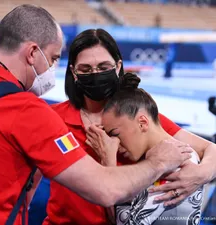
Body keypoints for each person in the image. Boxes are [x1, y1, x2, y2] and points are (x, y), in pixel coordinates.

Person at [0, 5, 191, 225]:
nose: (53, 68)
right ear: (33, 53)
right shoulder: (26, 110)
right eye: (55, 58)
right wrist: (158, 163)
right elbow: (104, 189)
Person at [42, 29, 216, 225]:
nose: (95, 74)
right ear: (73, 72)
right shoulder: (51, 117)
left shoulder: (137, 117)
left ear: (118, 67)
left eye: (103, 66)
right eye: (86, 69)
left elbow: (211, 149)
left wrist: (201, 175)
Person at [94, 74, 203, 224]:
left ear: (142, 123)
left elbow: (127, 222)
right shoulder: (156, 159)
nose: (113, 144)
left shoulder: (178, 159)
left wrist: (108, 162)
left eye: (115, 134)